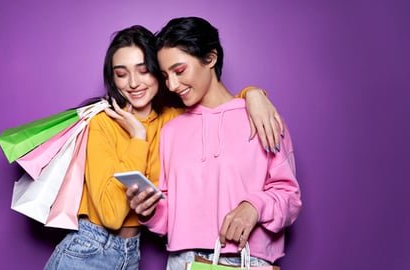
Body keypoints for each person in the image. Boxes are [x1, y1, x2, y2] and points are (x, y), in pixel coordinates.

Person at [45, 24, 285, 270]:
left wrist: (254, 94)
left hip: (132, 253)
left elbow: (216, 107)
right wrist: (138, 137)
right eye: (121, 73)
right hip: (88, 249)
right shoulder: (103, 122)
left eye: (143, 70)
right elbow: (113, 216)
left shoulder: (174, 120)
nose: (133, 83)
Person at [127, 17, 302, 270]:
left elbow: (290, 198)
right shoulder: (171, 131)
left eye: (179, 71)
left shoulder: (263, 117)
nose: (172, 85)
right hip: (183, 262)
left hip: (249, 260)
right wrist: (149, 211)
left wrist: (255, 206)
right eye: (165, 76)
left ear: (210, 58)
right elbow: (167, 217)